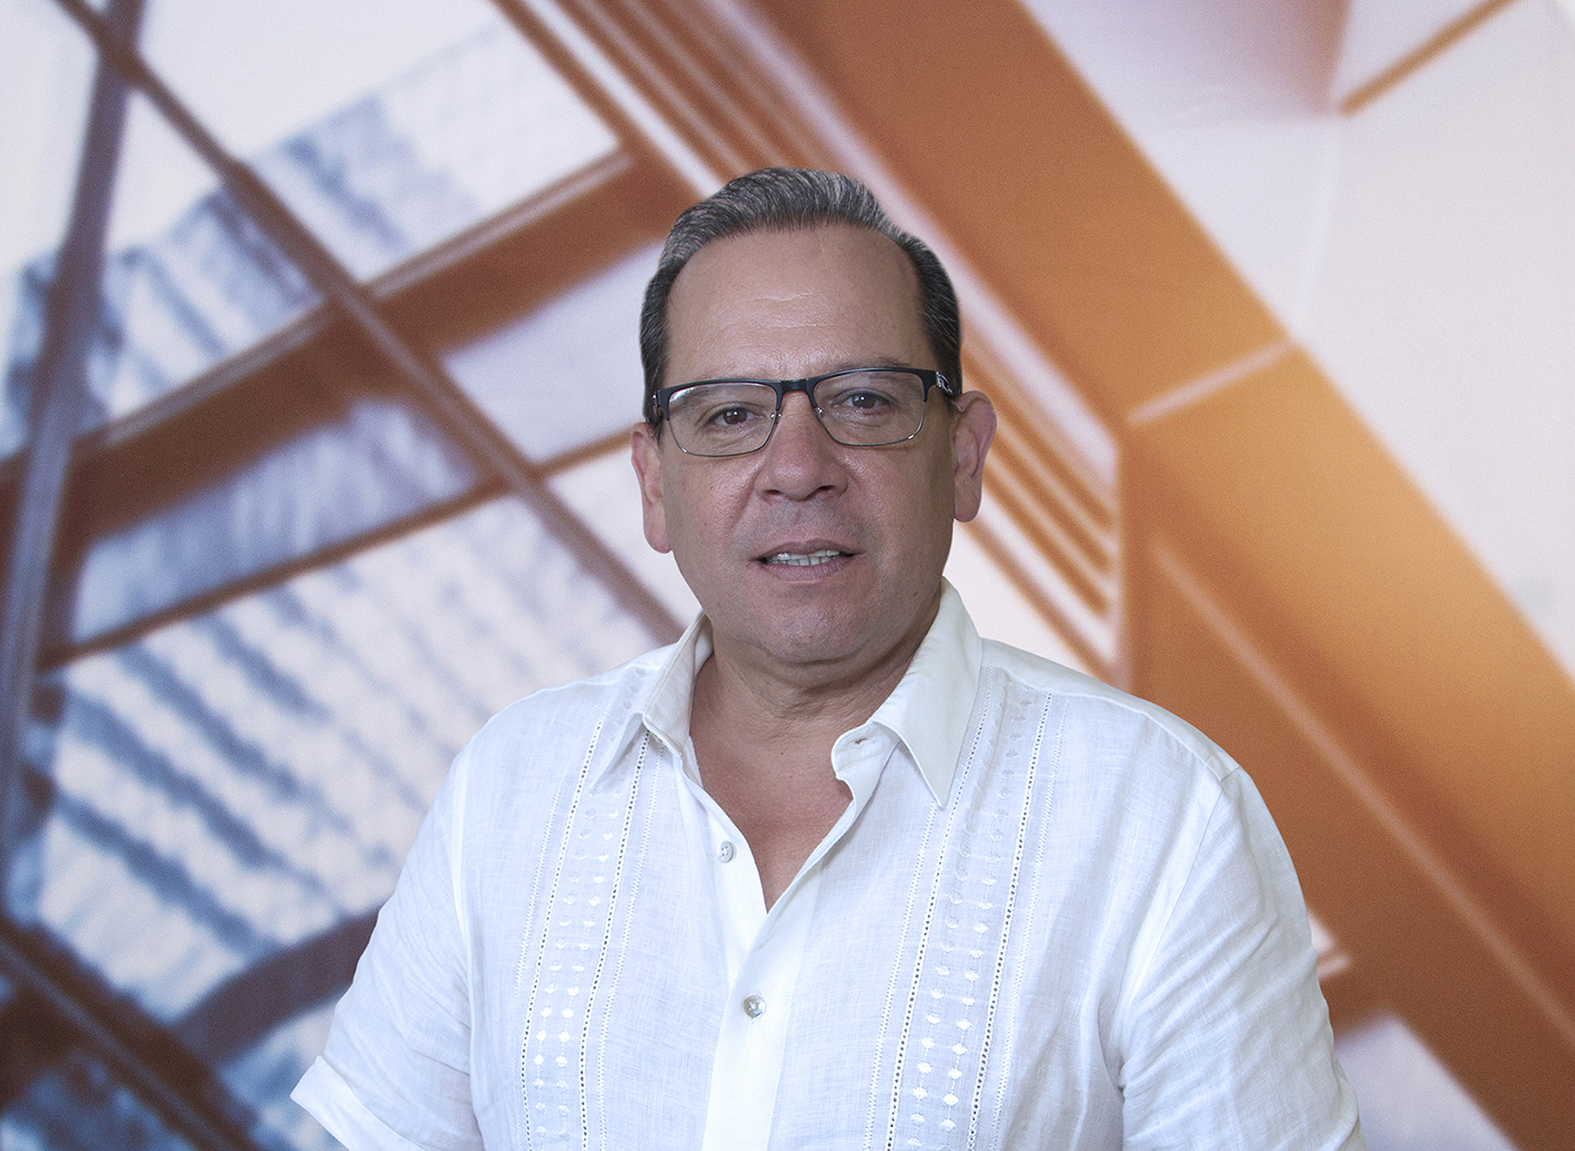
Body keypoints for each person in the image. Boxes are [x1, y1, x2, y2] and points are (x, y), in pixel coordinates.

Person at [293, 168, 1363, 1150]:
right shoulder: (511, 786)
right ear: (654, 483)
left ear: (963, 455)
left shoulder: (1164, 818)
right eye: (729, 414)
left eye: (863, 400)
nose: (797, 467)